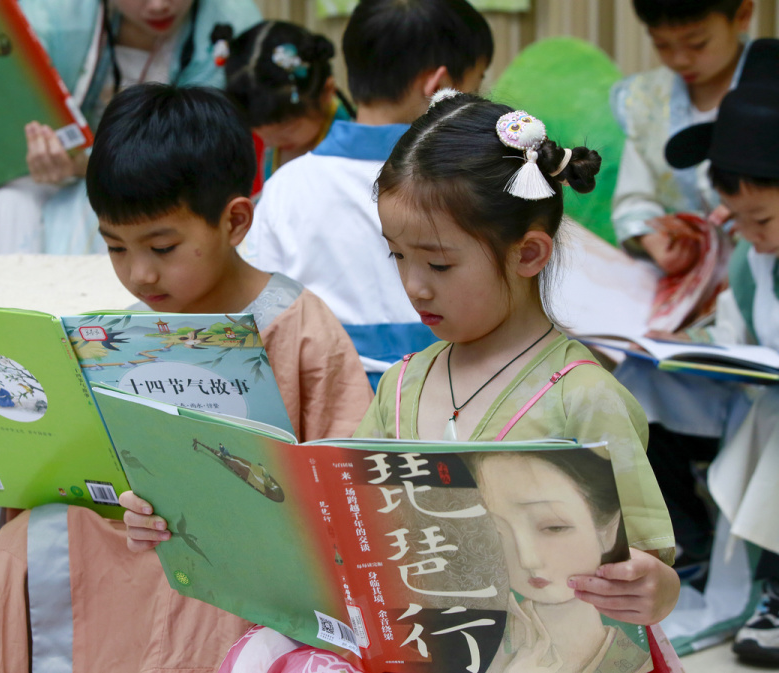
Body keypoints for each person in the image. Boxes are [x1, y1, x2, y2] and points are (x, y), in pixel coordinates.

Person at [216, 92, 681, 673]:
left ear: (528, 254)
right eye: (397, 256)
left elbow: (646, 561)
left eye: (438, 263)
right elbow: (349, 524)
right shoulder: (402, 385)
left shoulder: (582, 396)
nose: (415, 286)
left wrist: (653, 586)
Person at [0, 83, 374, 673]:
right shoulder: (118, 335)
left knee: (209, 590)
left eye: (162, 247)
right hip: (129, 540)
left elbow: (353, 486)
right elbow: (73, 473)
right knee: (21, 546)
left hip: (242, 564)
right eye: (116, 247)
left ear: (235, 221)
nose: (139, 273)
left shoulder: (300, 327)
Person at [240, 0, 493, 388]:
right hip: (462, 398)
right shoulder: (478, 179)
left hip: (324, 407)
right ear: (439, 85)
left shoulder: (286, 187)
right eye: (477, 83)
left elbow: (255, 320)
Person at [0, 0, 261, 255]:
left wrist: (89, 165)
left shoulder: (233, 21)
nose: (158, 5)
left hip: (168, 182)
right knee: (10, 204)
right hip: (60, 177)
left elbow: (207, 147)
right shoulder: (49, 13)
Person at [647, 57, 779, 666]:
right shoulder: (754, 262)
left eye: (764, 219)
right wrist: (684, 345)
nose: (752, 235)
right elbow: (736, 335)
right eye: (739, 221)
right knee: (639, 390)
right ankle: (690, 546)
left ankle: (770, 585)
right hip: (752, 400)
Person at [464, 449, 651, 673]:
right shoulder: (476, 642)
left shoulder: (635, 661)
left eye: (554, 527)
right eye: (496, 533)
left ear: (608, 530)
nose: (527, 560)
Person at [610, 0, 753, 276]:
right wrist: (651, 238)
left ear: (742, 15)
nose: (680, 60)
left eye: (697, 44)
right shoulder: (645, 100)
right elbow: (635, 196)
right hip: (682, 276)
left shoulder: (769, 92)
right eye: (662, 45)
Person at [211, 20, 354, 188]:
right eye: (261, 134)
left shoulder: (353, 146)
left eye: (288, 130)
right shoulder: (269, 137)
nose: (272, 142)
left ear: (326, 91)